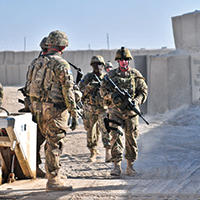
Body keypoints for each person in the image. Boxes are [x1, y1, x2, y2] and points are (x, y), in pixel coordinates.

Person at [29, 30, 78, 191]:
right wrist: (73, 112)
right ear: (63, 46)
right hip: (54, 110)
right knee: (55, 143)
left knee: (48, 141)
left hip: (37, 109)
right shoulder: (61, 64)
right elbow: (68, 91)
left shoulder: (36, 63)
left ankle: (52, 174)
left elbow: (29, 87)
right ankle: (53, 181)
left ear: (49, 45)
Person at [100, 47, 148, 176]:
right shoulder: (110, 76)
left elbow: (143, 92)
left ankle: (130, 166)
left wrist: (136, 101)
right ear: (117, 61)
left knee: (131, 138)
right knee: (115, 137)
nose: (124, 62)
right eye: (121, 60)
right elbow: (102, 91)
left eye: (126, 59)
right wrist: (112, 96)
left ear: (129, 60)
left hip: (131, 113)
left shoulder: (136, 75)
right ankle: (116, 166)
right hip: (115, 111)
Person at [22, 37, 49, 178]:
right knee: (51, 139)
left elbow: (28, 86)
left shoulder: (34, 63)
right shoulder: (53, 63)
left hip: (35, 106)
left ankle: (36, 167)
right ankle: (51, 172)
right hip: (49, 108)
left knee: (36, 139)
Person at [79, 55, 112, 163]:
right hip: (90, 108)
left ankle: (108, 151)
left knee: (105, 130)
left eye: (99, 64)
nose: (97, 66)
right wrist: (90, 86)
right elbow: (81, 91)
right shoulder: (88, 77)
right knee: (90, 130)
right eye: (94, 64)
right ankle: (92, 152)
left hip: (103, 108)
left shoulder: (106, 78)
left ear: (102, 66)